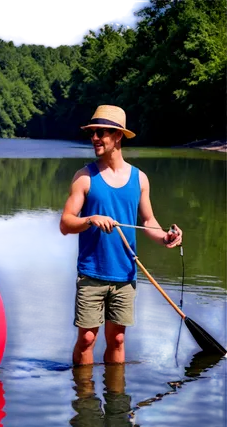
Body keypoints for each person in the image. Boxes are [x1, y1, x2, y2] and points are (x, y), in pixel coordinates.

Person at [59, 105, 183, 366]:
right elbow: (65, 224)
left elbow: (149, 221)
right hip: (92, 273)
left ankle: (116, 399)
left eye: (100, 132)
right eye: (92, 132)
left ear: (118, 136)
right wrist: (90, 219)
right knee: (87, 340)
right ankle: (84, 399)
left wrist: (165, 238)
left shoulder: (140, 179)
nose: (94, 138)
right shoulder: (84, 177)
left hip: (125, 274)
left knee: (117, 340)